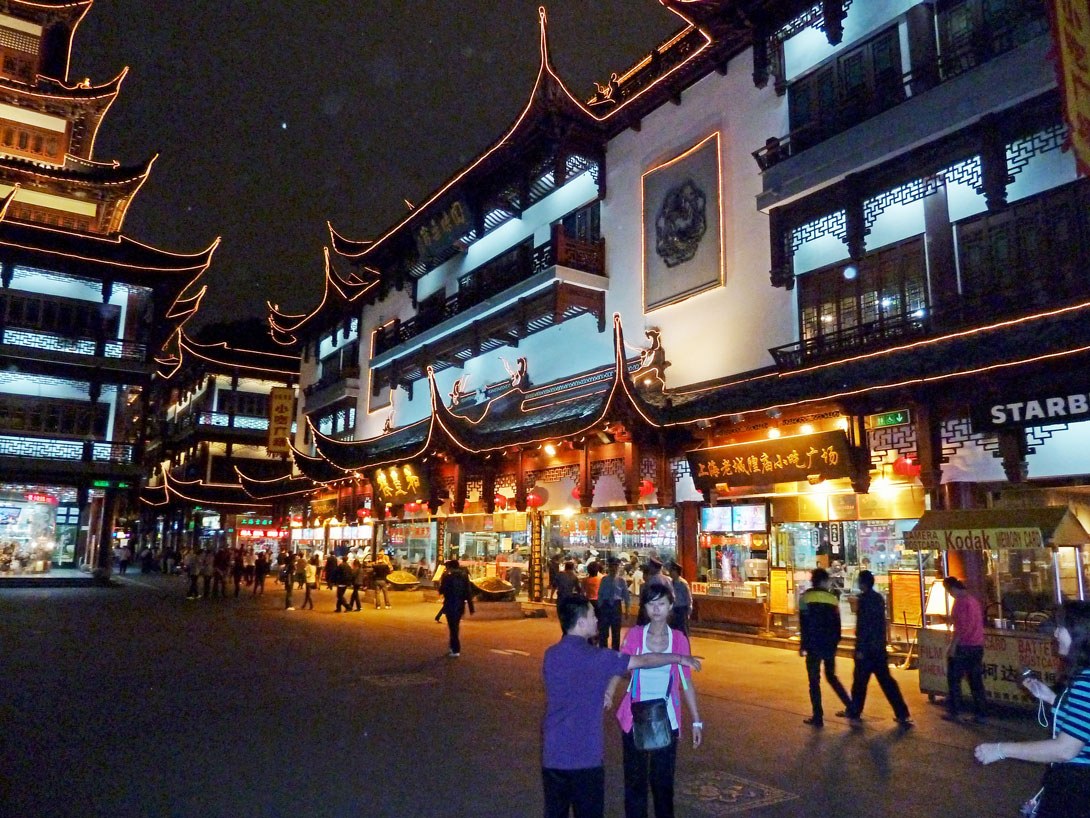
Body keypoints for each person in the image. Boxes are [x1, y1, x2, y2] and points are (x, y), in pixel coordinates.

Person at [543, 594, 702, 818]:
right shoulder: (597, 657)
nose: (597, 619)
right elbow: (642, 661)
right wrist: (679, 658)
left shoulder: (550, 655)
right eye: (592, 615)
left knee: (555, 812)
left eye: (661, 604)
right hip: (586, 757)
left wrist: (605, 690)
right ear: (580, 623)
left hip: (553, 755)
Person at [974, 601, 1090, 817]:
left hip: (1078, 787)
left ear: (1079, 633)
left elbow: (1065, 750)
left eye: (1061, 627)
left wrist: (1001, 750)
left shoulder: (1086, 682)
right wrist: (1050, 698)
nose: (1055, 633)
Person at [608, 584, 703, 818]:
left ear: (671, 606)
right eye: (651, 603)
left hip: (667, 719)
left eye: (661, 603)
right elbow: (620, 666)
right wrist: (609, 693)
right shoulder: (636, 635)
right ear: (645, 607)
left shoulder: (679, 639)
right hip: (634, 718)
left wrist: (696, 721)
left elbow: (686, 680)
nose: (656, 609)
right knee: (635, 783)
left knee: (663, 784)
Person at [837, 570, 911, 726]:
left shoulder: (863, 600)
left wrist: (860, 649)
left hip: (867, 650)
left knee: (859, 682)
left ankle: (854, 710)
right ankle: (902, 712)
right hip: (879, 648)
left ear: (862, 583)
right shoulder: (878, 598)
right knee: (886, 682)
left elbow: (864, 627)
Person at [799, 567, 852, 727]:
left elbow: (804, 624)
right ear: (824, 581)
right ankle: (851, 706)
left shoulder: (805, 598)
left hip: (813, 645)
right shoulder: (832, 598)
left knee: (814, 681)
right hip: (829, 644)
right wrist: (836, 641)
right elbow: (837, 624)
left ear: (812, 581)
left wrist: (803, 645)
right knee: (831, 676)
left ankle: (818, 716)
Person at [942, 576, 987, 723]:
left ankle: (955, 711)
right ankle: (981, 714)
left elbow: (961, 628)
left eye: (949, 591)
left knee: (954, 679)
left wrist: (953, 646)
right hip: (977, 645)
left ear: (953, 588)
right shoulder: (973, 601)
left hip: (964, 646)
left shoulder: (960, 602)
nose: (950, 594)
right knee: (975, 681)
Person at [438, 559, 475, 657]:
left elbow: (441, 590)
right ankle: (453, 647)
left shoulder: (447, 576)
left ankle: (455, 648)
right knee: (455, 626)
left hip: (450, 603)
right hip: (460, 604)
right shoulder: (464, 576)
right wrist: (471, 607)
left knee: (452, 627)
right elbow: (468, 591)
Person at [598, 557, 631, 650]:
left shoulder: (621, 581)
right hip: (605, 605)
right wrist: (600, 607)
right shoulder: (604, 579)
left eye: (615, 566)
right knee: (603, 631)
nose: (613, 569)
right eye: (611, 566)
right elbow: (600, 594)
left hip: (616, 606)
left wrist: (627, 609)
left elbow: (626, 596)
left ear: (618, 567)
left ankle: (615, 651)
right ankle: (603, 650)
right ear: (608, 567)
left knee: (616, 630)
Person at [667, 562, 691, 637]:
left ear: (676, 572)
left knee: (682, 632)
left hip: (681, 610)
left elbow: (688, 599)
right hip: (673, 610)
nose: (670, 573)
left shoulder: (683, 583)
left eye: (671, 571)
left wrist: (688, 612)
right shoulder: (670, 583)